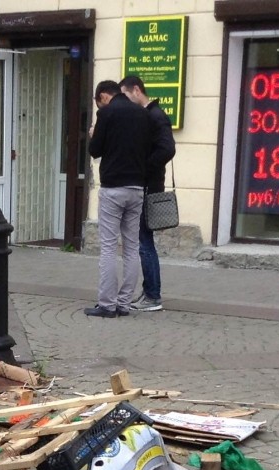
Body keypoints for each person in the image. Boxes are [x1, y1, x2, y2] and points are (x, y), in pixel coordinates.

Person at [85, 79, 151, 318]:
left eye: (98, 103)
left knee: (109, 246)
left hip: (113, 188)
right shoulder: (142, 114)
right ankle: (124, 303)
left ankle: (107, 304)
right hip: (137, 188)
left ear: (103, 96)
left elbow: (96, 150)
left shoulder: (107, 113)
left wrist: (94, 134)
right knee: (132, 246)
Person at [119, 76, 175, 312]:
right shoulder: (148, 116)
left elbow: (167, 148)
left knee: (144, 242)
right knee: (143, 241)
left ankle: (153, 295)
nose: (126, 100)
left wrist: (144, 168)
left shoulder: (155, 115)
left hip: (149, 186)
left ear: (137, 90)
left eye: (126, 95)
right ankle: (150, 292)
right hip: (147, 184)